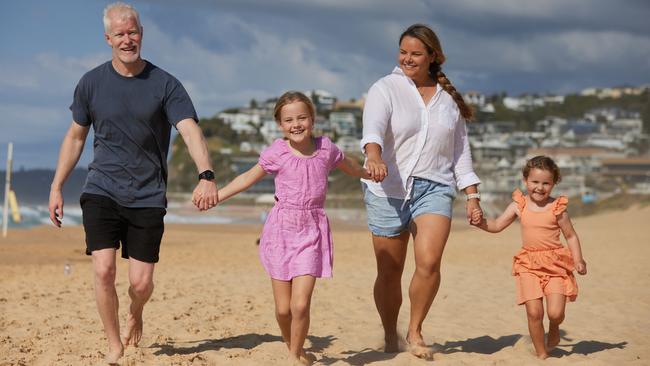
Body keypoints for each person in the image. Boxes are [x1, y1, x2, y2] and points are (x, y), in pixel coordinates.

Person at [47, 2, 218, 364]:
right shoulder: (90, 83)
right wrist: (56, 186)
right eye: (120, 34)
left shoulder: (165, 84)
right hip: (101, 189)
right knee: (104, 269)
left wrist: (206, 175)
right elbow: (76, 138)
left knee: (140, 284)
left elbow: (189, 130)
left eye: (133, 32)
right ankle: (114, 344)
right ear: (108, 38)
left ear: (141, 33)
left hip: (148, 194)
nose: (128, 39)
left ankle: (136, 311)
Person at [212, 91, 371, 365]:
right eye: (288, 120)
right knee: (283, 310)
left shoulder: (326, 149)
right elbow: (249, 177)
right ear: (279, 124)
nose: (296, 124)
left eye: (302, 118)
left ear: (312, 119)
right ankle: (294, 346)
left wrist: (370, 172)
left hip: (312, 230)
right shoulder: (277, 152)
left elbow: (350, 165)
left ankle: (293, 356)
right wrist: (218, 195)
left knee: (300, 305)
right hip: (280, 231)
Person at [360, 23, 483, 359]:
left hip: (436, 186)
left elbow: (460, 155)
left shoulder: (449, 102)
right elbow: (372, 129)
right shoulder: (385, 88)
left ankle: (415, 331)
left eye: (416, 53)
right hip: (388, 188)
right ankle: (390, 333)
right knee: (389, 271)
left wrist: (472, 196)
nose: (407, 59)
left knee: (429, 262)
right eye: (403, 52)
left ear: (433, 56)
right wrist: (373, 156)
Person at [471, 156, 587, 359]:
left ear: (553, 184)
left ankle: (554, 327)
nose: (540, 188)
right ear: (526, 181)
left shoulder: (557, 208)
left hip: (555, 265)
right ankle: (542, 354)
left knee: (555, 313)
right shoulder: (519, 205)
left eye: (546, 183)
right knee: (534, 313)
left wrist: (578, 260)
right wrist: (480, 222)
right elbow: (497, 225)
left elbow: (571, 236)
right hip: (528, 265)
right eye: (535, 182)